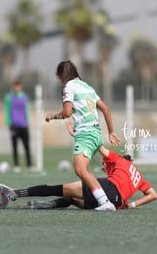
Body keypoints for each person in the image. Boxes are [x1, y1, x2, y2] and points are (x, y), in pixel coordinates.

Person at [45, 60, 121, 211]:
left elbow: (67, 113)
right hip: (95, 133)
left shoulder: (68, 87)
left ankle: (105, 202)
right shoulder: (87, 86)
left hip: (86, 134)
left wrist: (53, 116)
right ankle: (104, 201)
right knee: (83, 170)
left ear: (62, 75)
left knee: (80, 170)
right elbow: (105, 109)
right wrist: (111, 132)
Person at [0, 146, 157, 210]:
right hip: (116, 203)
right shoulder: (139, 176)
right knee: (72, 198)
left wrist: (80, 132)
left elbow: (99, 145)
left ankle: (16, 193)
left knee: (59, 188)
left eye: (104, 165)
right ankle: (45, 205)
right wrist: (131, 205)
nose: (104, 167)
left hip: (108, 188)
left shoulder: (118, 159)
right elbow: (153, 195)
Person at [4, 80, 32, 172]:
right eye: (15, 86)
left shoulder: (24, 96)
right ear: (13, 87)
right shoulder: (8, 97)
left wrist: (27, 121)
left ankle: (29, 165)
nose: (17, 88)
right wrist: (8, 122)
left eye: (18, 86)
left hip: (24, 125)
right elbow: (7, 110)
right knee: (14, 146)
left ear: (21, 87)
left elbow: (27, 109)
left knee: (27, 146)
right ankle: (16, 165)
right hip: (14, 125)